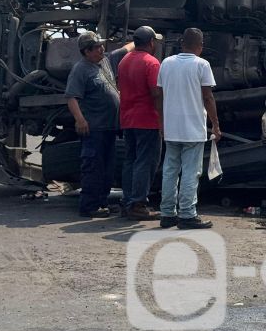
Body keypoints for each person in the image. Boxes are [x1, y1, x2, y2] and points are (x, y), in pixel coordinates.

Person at [156, 28, 222, 229]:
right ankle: (187, 215)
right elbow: (208, 97)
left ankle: (167, 214)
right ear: (200, 46)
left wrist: (161, 123)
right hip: (193, 129)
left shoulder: (166, 63)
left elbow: (159, 96)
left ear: (181, 43)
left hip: (171, 128)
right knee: (191, 172)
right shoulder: (202, 65)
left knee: (170, 171)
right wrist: (215, 125)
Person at [65, 32, 132, 218]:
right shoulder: (80, 70)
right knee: (93, 167)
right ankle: (89, 206)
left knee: (107, 168)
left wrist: (143, 38)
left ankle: (102, 202)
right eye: (97, 47)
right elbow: (71, 97)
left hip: (110, 127)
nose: (102, 49)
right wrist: (80, 120)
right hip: (94, 128)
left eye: (101, 46)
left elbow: (125, 49)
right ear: (86, 51)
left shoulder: (105, 61)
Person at [118, 26, 164, 221]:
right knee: (146, 162)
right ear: (151, 42)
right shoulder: (151, 63)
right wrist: (162, 119)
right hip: (147, 120)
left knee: (131, 160)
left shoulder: (124, 61)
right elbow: (156, 93)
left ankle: (128, 201)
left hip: (128, 119)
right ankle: (138, 204)